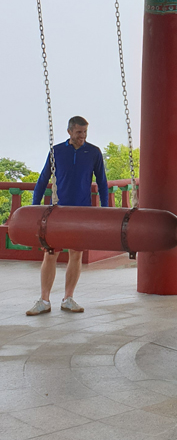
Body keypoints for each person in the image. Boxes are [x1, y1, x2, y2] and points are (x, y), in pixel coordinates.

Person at [26, 116, 109, 316]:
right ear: (70, 132)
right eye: (79, 132)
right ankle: (44, 300)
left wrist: (106, 209)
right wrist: (34, 206)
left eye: (85, 132)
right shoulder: (57, 151)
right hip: (57, 211)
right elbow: (43, 178)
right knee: (50, 253)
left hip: (82, 211)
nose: (83, 136)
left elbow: (103, 183)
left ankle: (68, 298)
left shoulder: (94, 152)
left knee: (76, 254)